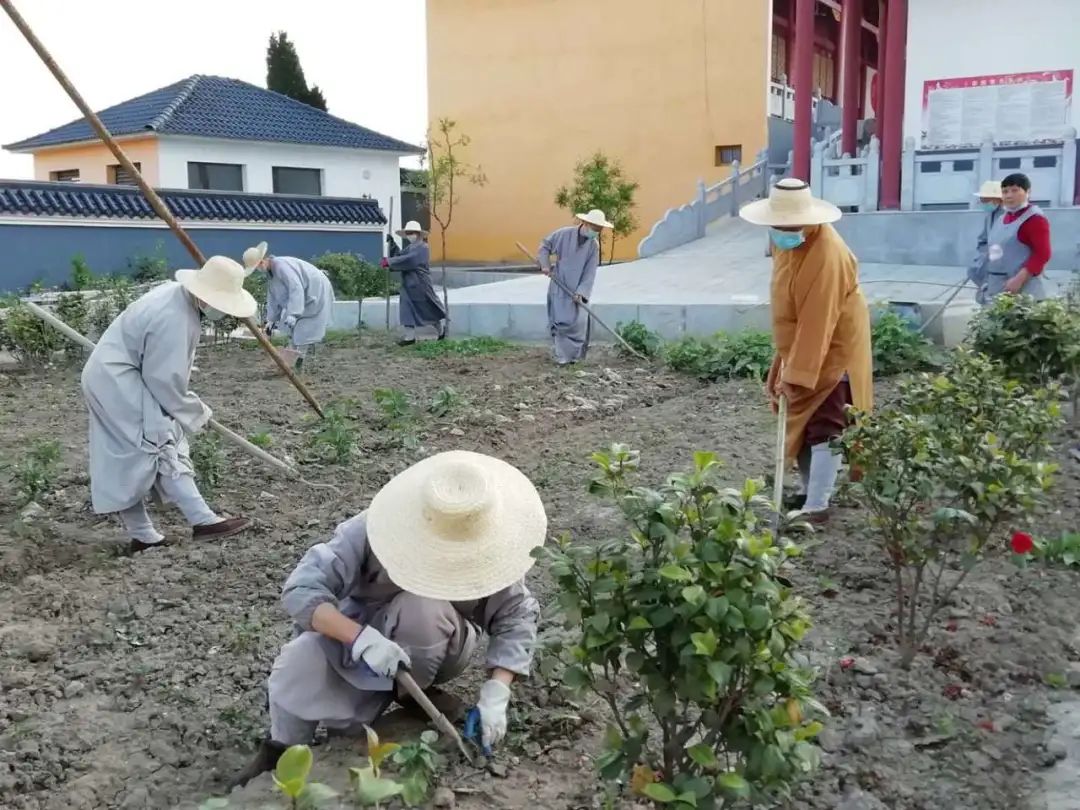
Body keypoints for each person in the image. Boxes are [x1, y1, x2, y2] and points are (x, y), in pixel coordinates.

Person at [228, 450, 544, 789]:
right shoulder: (370, 529)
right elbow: (302, 589)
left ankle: (407, 692)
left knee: (423, 607)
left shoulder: (487, 545)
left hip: (439, 640)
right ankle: (282, 747)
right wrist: (360, 638)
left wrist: (498, 690)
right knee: (299, 660)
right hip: (361, 631)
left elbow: (516, 616)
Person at [80, 256, 255, 554]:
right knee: (159, 442)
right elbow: (164, 380)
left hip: (113, 376)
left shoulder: (177, 298)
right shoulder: (174, 317)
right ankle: (203, 520)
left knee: (127, 455)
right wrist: (197, 413)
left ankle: (144, 536)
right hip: (118, 381)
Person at [739, 178, 873, 523]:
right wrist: (788, 360)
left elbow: (819, 321)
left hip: (834, 343)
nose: (783, 232)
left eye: (791, 226)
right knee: (799, 415)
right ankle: (807, 489)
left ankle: (818, 504)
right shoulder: (788, 244)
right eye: (778, 226)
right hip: (801, 339)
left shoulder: (827, 255)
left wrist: (797, 374)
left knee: (825, 418)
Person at [243, 242, 336, 370]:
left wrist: (293, 313)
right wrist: (271, 319)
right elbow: (274, 296)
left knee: (303, 328)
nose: (258, 269)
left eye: (258, 266)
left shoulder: (281, 266)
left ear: (262, 261)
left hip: (315, 290)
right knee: (293, 329)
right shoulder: (272, 274)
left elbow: (295, 288)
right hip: (303, 296)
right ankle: (293, 359)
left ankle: (298, 362)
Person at [537, 209, 612, 365]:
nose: (595, 232)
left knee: (578, 323)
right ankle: (562, 357)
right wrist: (545, 265)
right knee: (561, 321)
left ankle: (575, 358)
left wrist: (581, 292)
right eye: (594, 228)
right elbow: (545, 246)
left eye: (598, 230)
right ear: (584, 223)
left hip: (577, 291)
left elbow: (590, 272)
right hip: (560, 285)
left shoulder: (593, 246)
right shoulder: (564, 234)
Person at [983, 173, 1051, 300]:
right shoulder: (1002, 218)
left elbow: (1042, 254)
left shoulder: (1035, 219)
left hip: (1023, 288)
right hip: (998, 285)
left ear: (1027, 192)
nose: (1009, 195)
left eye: (1015, 190)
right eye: (1005, 191)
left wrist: (1019, 279)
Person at [380, 221, 447, 346]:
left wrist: (389, 262)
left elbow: (410, 260)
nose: (410, 235)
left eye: (412, 233)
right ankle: (409, 337)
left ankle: (441, 331)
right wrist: (393, 245)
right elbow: (400, 256)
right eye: (408, 233)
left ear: (418, 234)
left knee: (428, 309)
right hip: (408, 285)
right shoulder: (410, 248)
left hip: (420, 284)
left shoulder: (423, 247)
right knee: (406, 309)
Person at [968, 180, 1004, 306]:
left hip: (1002, 263)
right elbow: (982, 240)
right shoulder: (989, 216)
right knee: (974, 271)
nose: (982, 203)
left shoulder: (1008, 216)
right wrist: (982, 255)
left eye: (984, 200)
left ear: (996, 200)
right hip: (988, 259)